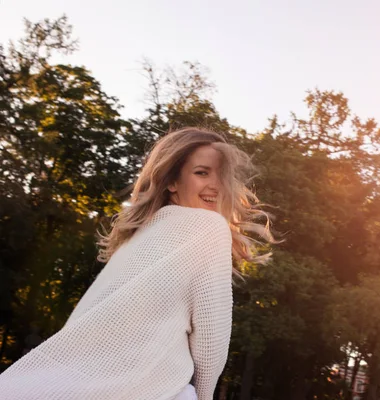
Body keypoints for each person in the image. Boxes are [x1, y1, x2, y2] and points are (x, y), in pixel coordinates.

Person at [0, 127, 275, 399]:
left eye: (221, 175)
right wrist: (203, 395)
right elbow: (211, 339)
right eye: (202, 172)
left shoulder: (136, 237)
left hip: (67, 383)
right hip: (150, 386)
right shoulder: (209, 227)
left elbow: (82, 319)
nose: (215, 185)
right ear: (172, 182)